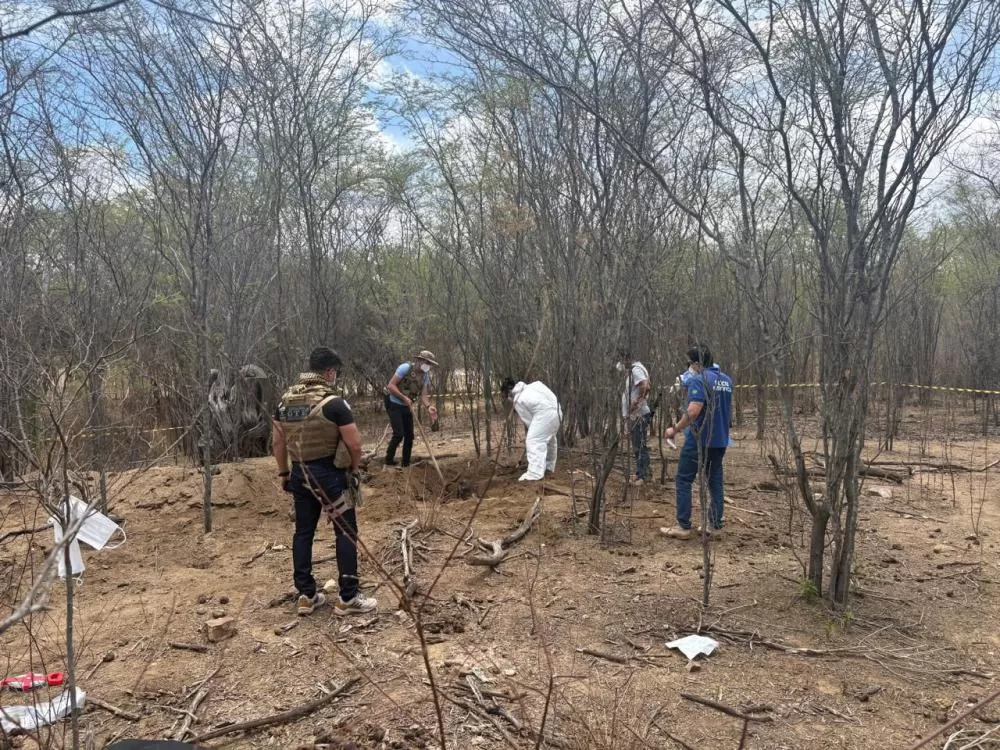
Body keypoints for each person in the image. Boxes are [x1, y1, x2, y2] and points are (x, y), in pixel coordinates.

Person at [273, 347, 378, 616]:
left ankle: (306, 595)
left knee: (303, 532)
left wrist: (284, 473)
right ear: (329, 371)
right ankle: (348, 598)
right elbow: (355, 444)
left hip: (299, 473)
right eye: (335, 372)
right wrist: (354, 470)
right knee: (345, 531)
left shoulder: (285, 403)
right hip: (330, 475)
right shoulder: (334, 403)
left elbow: (278, 441)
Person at [661, 345, 733, 540]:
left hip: (699, 440)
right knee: (715, 480)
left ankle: (683, 525)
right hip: (720, 439)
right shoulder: (726, 380)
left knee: (684, 479)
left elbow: (693, 410)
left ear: (696, 363)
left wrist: (675, 429)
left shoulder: (698, 380)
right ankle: (713, 524)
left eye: (689, 363)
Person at [384, 350, 440, 467]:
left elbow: (423, 395)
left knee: (409, 436)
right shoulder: (405, 368)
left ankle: (406, 463)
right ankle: (389, 460)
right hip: (394, 404)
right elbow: (391, 386)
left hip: (406, 406)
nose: (428, 366)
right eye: (427, 362)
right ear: (420, 360)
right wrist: (403, 397)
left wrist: (428, 406)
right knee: (399, 434)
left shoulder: (425, 377)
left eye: (430, 364)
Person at [501, 377, 562, 481]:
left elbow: (529, 420)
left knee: (534, 440)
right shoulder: (533, 387)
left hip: (545, 414)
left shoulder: (518, 400)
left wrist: (532, 435)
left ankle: (534, 474)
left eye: (505, 395)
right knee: (550, 439)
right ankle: (548, 467)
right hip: (558, 411)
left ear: (508, 392)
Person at [617, 349, 652, 485]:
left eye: (621, 360)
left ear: (626, 359)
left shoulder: (636, 369)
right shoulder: (637, 369)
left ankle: (643, 475)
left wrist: (636, 402)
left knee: (639, 446)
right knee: (639, 445)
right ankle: (642, 473)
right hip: (636, 414)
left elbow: (645, 385)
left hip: (638, 415)